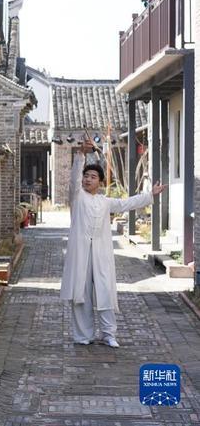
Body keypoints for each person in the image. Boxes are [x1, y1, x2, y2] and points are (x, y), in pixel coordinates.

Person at [60, 138, 166, 348]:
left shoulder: (105, 202)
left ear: (100, 182)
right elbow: (73, 180)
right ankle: (83, 335)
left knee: (105, 291)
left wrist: (150, 195)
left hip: (101, 254)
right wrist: (81, 155)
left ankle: (109, 334)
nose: (88, 179)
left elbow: (127, 203)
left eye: (93, 177)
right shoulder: (77, 197)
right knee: (81, 294)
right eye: (86, 176)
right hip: (80, 253)